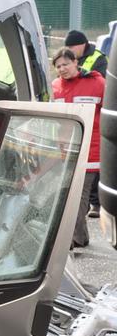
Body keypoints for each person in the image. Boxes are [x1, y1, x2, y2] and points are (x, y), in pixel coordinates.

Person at [52, 47, 105, 248]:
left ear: (76, 62)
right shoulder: (55, 86)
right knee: (67, 193)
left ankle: (72, 238)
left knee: (80, 194)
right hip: (66, 149)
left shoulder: (97, 83)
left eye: (65, 64)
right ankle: (80, 236)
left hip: (91, 149)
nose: (62, 69)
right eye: (58, 66)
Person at [65, 31, 108, 217]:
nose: (70, 51)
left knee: (94, 171)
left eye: (72, 48)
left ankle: (97, 204)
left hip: (95, 126)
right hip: (80, 126)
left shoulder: (98, 59)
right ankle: (93, 205)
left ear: (81, 45)